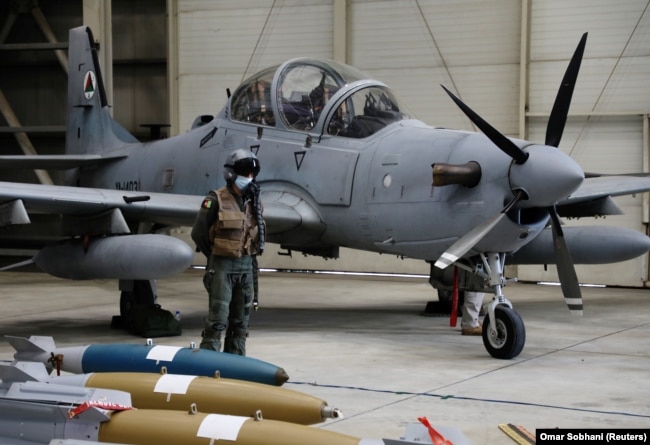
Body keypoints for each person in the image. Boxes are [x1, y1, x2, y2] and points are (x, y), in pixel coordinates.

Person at [191, 149, 265, 355]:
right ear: (231, 173)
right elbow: (199, 233)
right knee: (217, 321)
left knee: (241, 323)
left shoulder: (255, 202)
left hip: (246, 267)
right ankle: (208, 365)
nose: (249, 178)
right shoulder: (215, 199)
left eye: (252, 173)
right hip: (222, 267)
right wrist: (216, 255)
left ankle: (235, 363)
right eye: (245, 172)